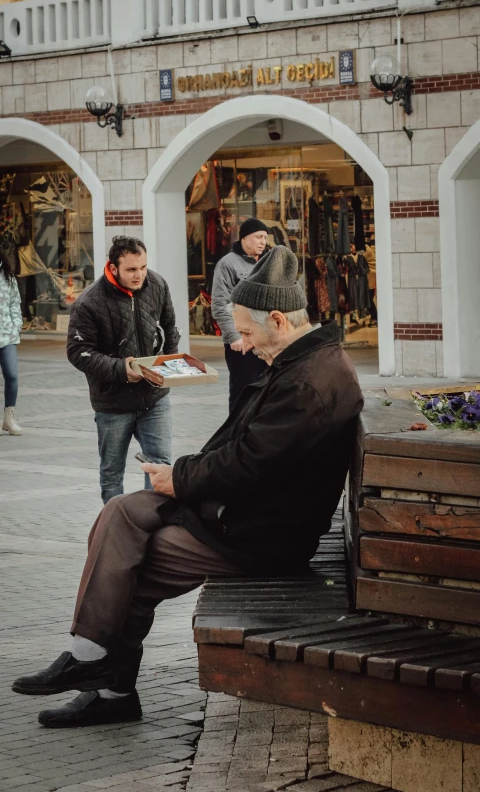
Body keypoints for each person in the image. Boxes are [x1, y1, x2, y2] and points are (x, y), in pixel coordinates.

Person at [13, 245, 364, 728]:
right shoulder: (304, 362)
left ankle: (108, 684)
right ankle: (90, 657)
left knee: (127, 567)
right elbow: (249, 454)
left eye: (246, 332)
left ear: (279, 320)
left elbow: (249, 463)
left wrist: (179, 477)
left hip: (257, 535)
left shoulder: (307, 382)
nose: (242, 344)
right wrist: (178, 475)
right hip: (242, 512)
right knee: (120, 512)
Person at [66, 236, 179, 503]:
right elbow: (78, 352)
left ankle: (152, 529)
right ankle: (114, 529)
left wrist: (170, 364)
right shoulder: (89, 302)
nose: (140, 275)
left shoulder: (158, 284)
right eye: (131, 269)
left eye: (142, 267)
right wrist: (120, 369)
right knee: (112, 473)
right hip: (112, 402)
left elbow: (170, 329)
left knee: (160, 466)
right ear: (113, 267)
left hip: (155, 398)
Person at [211, 218, 269, 411]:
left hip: (267, 340)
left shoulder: (268, 262)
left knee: (267, 394)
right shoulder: (227, 264)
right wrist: (234, 337)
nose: (263, 241)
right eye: (258, 237)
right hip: (242, 342)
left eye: (265, 238)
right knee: (242, 394)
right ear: (244, 238)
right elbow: (220, 304)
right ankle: (235, 437)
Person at [0, 239, 22, 436]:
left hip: (6, 335)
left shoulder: (7, 276)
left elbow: (15, 303)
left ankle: (9, 418)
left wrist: (16, 327)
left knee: (12, 375)